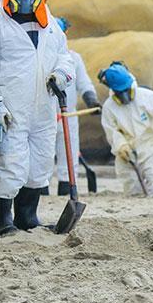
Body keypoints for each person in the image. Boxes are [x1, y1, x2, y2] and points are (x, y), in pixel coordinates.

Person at [0, 0, 74, 235]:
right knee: (10, 164)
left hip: (43, 108)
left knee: (40, 164)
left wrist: (60, 76)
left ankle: (27, 217)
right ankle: (4, 221)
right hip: (11, 110)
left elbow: (65, 58)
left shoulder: (50, 25)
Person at [99, 62, 153, 197]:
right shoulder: (109, 107)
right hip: (127, 152)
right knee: (131, 188)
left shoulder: (147, 97)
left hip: (152, 146)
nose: (124, 94)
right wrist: (121, 146)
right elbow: (112, 130)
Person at [53, 42, 100, 196]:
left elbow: (84, 83)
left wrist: (91, 99)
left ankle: (66, 192)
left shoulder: (74, 58)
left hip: (69, 115)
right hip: (45, 116)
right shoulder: (40, 56)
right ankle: (41, 193)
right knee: (43, 157)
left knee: (69, 156)